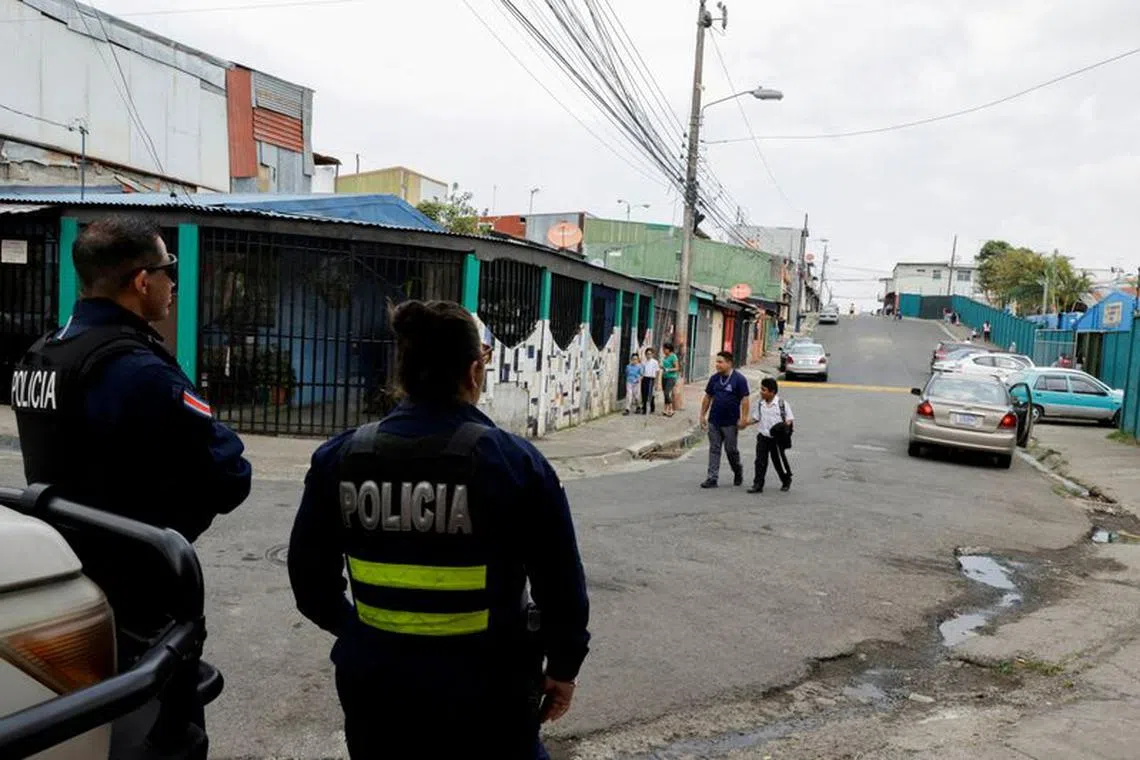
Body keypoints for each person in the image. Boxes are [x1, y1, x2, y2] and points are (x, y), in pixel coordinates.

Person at [288, 299, 590, 759]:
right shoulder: (515, 464)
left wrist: (364, 635)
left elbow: (309, 582)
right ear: (474, 371)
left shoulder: (341, 459)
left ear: (404, 371)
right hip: (489, 692)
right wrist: (563, 669)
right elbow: (561, 587)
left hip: (377, 689)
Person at [11, 216, 252, 756]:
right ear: (141, 281)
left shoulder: (42, 354)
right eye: (169, 270)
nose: (174, 283)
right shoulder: (135, 367)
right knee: (165, 736)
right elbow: (231, 475)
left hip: (66, 579)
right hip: (139, 598)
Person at [699, 351, 750, 489]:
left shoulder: (739, 379)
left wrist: (744, 418)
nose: (717, 364)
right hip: (714, 420)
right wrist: (702, 415)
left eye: (720, 362)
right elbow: (708, 397)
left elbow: (745, 399)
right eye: (717, 362)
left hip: (731, 422)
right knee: (714, 449)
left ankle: (737, 470)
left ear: (729, 363)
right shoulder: (714, 379)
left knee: (730, 450)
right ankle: (712, 478)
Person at [746, 377, 794, 494]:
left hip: (776, 440)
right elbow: (756, 418)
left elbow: (789, 420)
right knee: (760, 461)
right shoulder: (760, 404)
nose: (761, 392)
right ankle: (758, 484)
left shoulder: (782, 404)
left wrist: (784, 429)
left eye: (764, 390)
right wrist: (744, 423)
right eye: (761, 389)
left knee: (778, 462)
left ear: (772, 392)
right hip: (763, 436)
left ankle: (786, 480)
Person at [660, 342, 680, 417]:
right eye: (663, 349)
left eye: (665, 349)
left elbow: (677, 368)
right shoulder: (665, 357)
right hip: (664, 376)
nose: (664, 350)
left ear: (669, 349)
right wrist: (662, 367)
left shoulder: (673, 356)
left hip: (671, 377)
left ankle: (671, 409)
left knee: (667, 392)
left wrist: (668, 369)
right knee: (664, 393)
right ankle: (665, 409)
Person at [640, 348, 660, 414]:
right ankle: (644, 408)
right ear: (645, 354)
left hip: (651, 378)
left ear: (652, 354)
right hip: (645, 378)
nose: (648, 355)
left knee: (650, 394)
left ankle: (651, 407)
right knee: (644, 394)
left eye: (650, 354)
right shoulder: (644, 362)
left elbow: (657, 372)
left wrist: (656, 382)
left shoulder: (655, 362)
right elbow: (642, 371)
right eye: (647, 354)